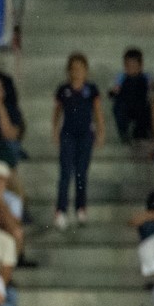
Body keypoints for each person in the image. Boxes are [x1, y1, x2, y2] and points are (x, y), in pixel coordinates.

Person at [53, 52, 104, 229]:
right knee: (65, 173)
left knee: (82, 172)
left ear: (86, 71)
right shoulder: (63, 89)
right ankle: (61, 210)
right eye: (73, 69)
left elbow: (97, 112)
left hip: (85, 135)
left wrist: (101, 132)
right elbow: (57, 111)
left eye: (80, 69)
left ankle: (81, 208)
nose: (76, 72)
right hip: (68, 134)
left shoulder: (91, 89)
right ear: (68, 71)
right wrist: (54, 131)